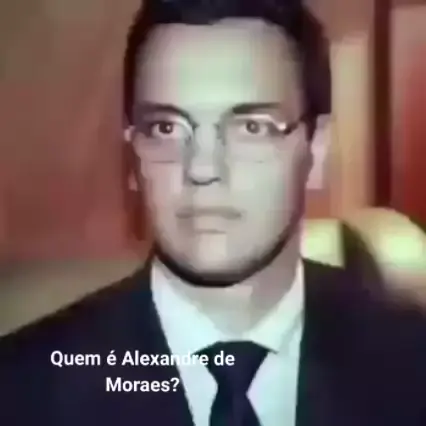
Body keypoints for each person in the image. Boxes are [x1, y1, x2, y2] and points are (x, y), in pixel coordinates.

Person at [1, 1, 426, 425]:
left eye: (251, 127)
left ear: (316, 152)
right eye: (166, 128)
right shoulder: (21, 393)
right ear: (134, 157)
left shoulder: (411, 361)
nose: (202, 168)